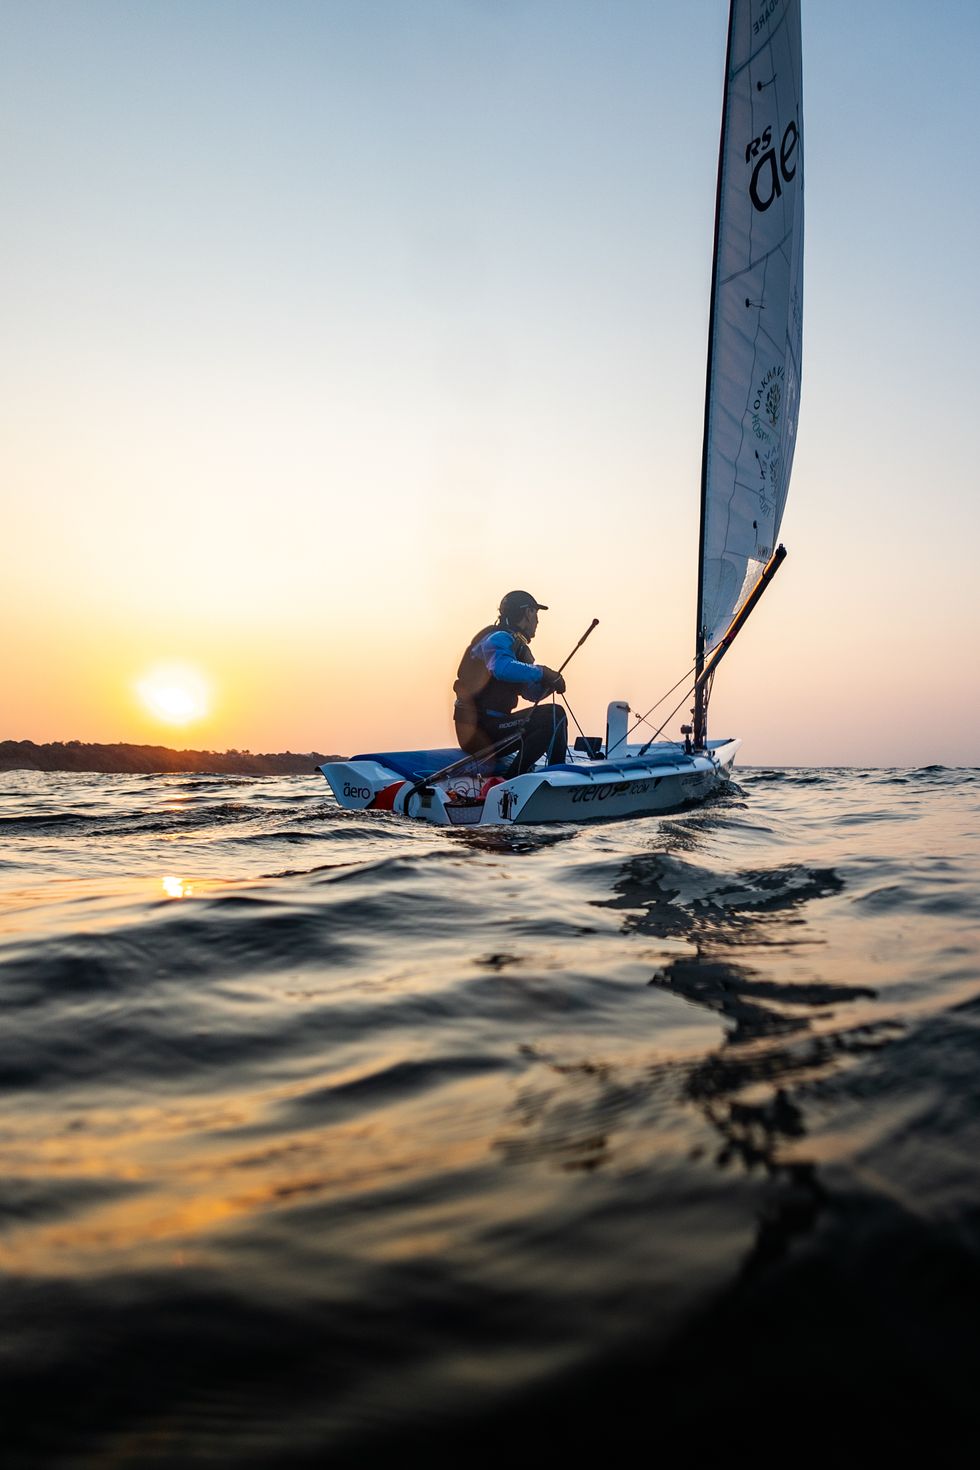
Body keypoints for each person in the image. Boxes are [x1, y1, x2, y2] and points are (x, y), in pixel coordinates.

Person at [453, 591, 568, 774]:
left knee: (553, 716)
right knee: (554, 715)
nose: (537, 621)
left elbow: (530, 693)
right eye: (536, 614)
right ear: (528, 612)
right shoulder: (498, 637)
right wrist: (542, 672)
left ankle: (542, 775)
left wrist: (548, 685)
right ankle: (520, 781)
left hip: (495, 728)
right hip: (479, 730)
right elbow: (501, 668)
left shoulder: (516, 647)